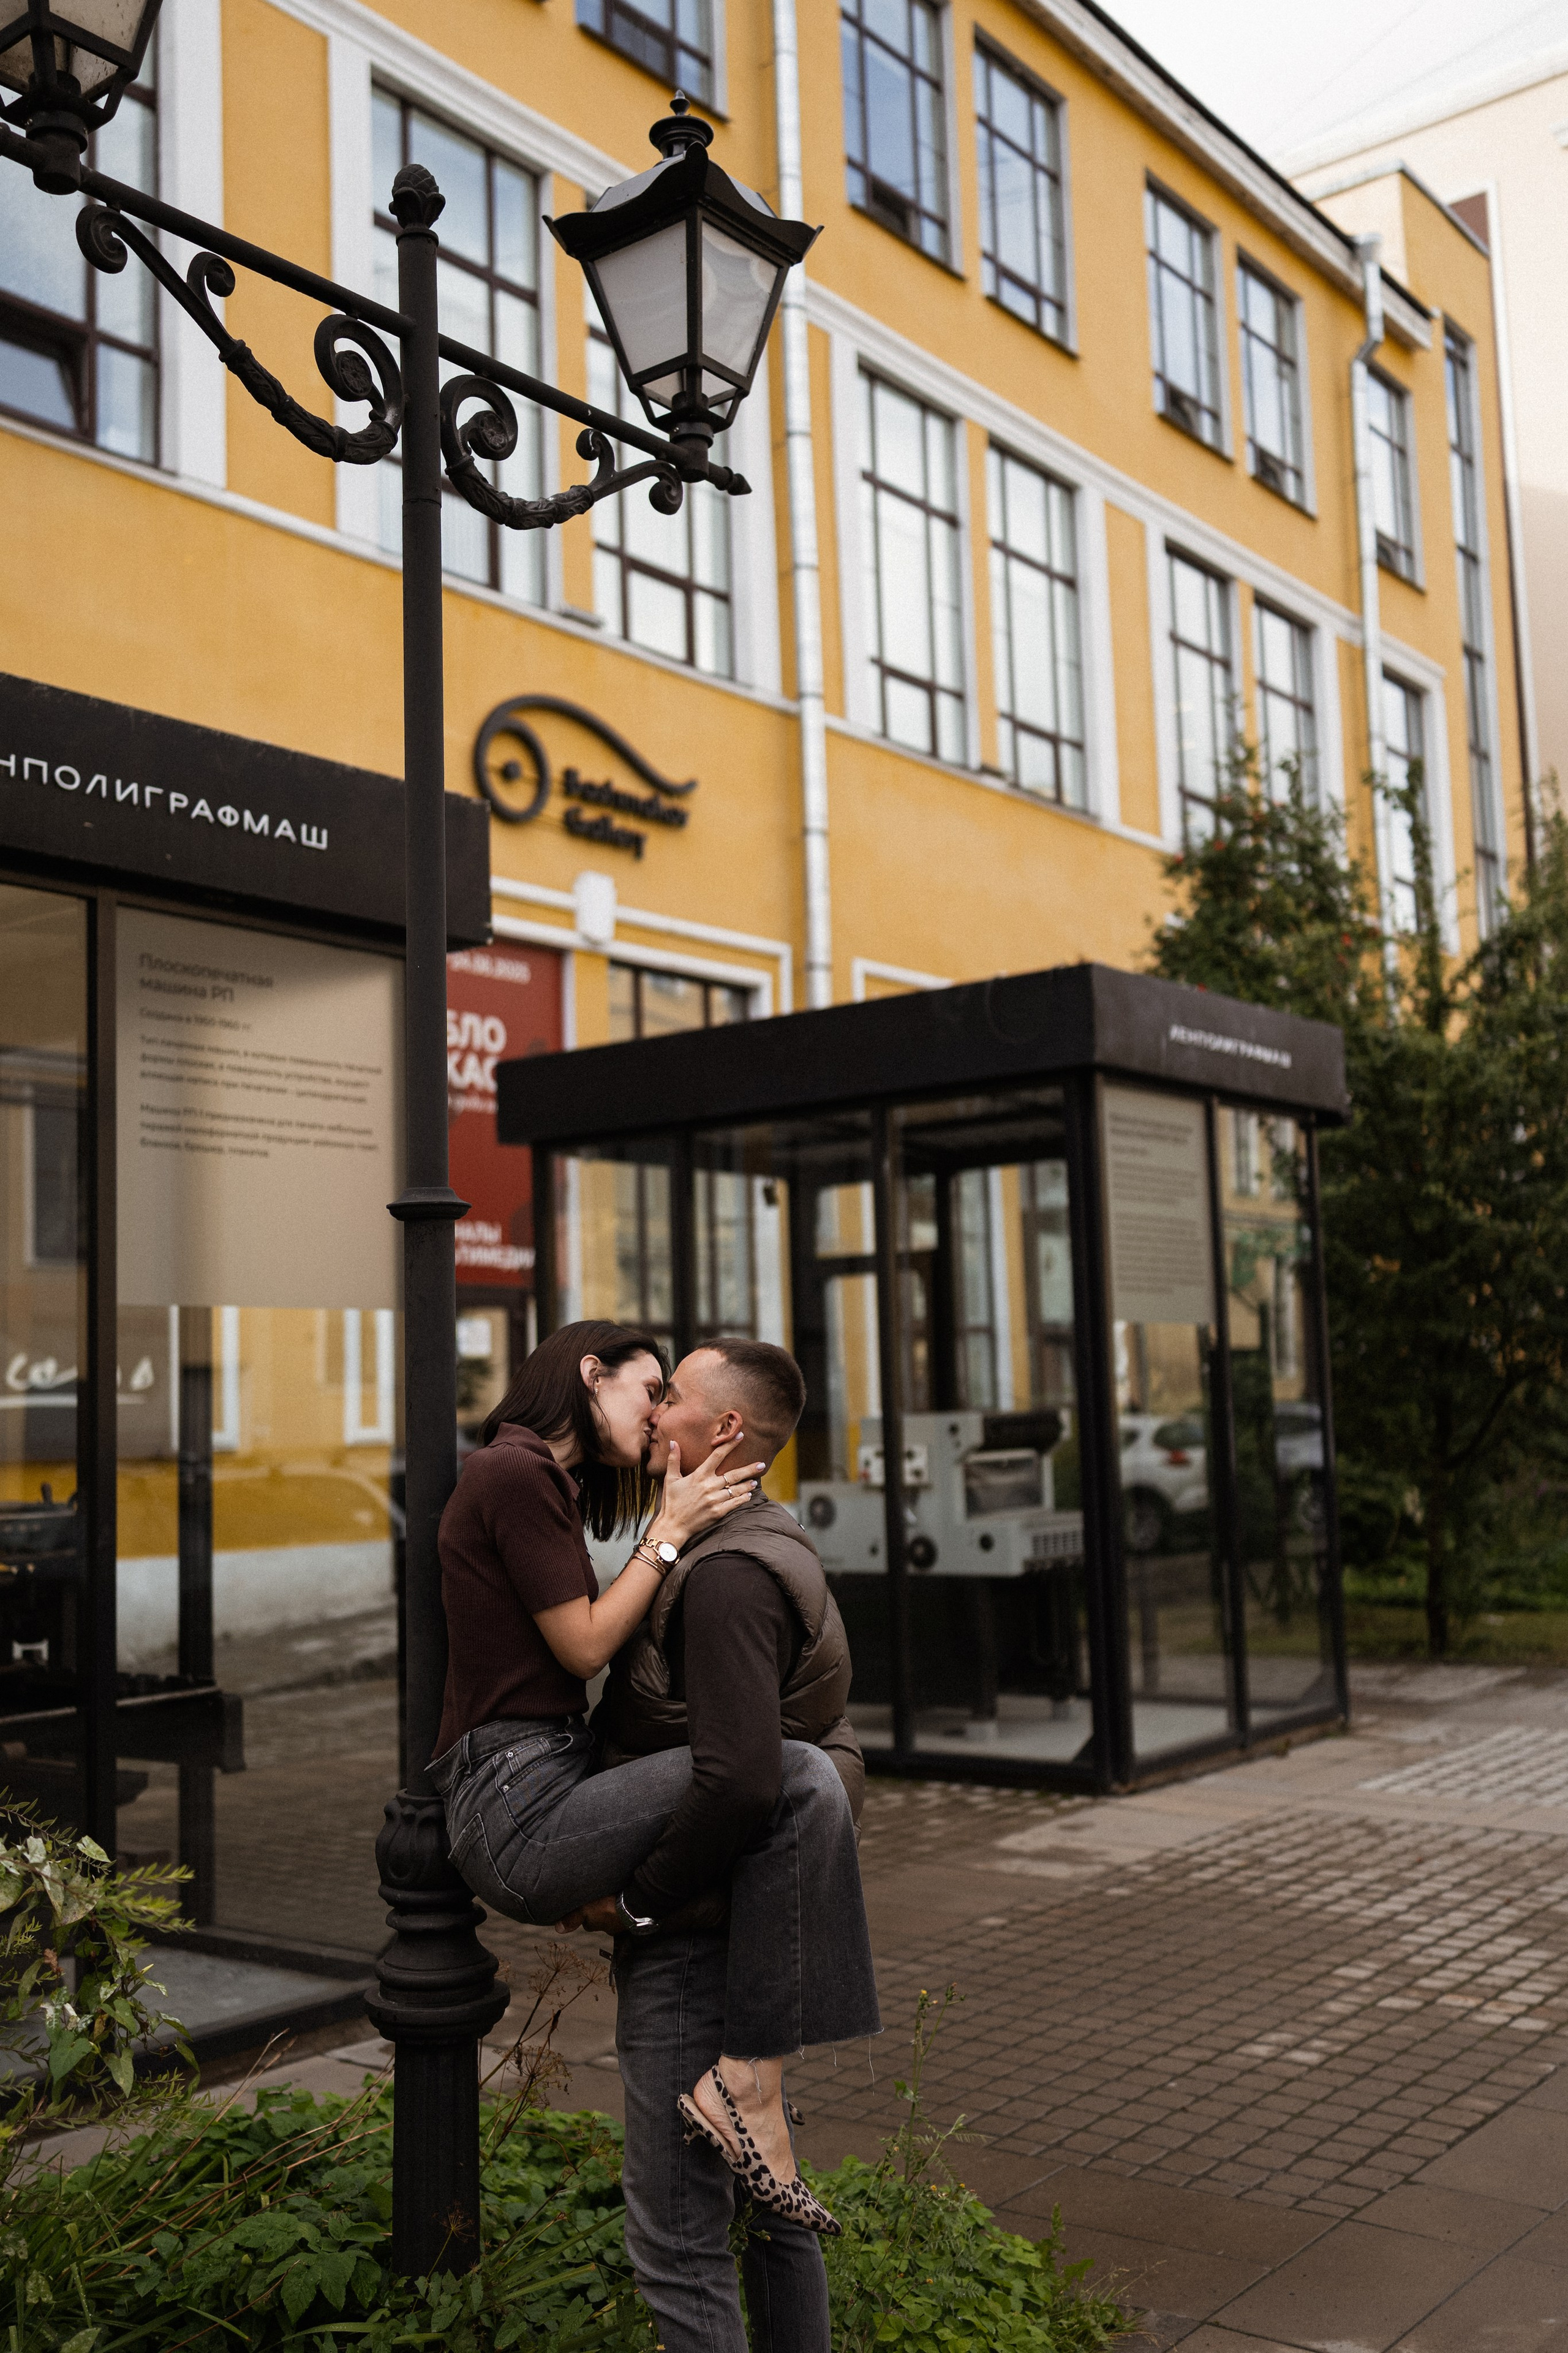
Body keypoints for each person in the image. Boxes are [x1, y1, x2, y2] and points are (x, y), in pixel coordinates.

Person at [430, 1320, 876, 2240]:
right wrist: (668, 1534)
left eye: (672, 1395)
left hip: (546, 1778)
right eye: (650, 1387)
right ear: (590, 1374)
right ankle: (756, 2076)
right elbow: (587, 1644)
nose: (655, 1409)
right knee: (790, 1773)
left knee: (790, 1776)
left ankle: (756, 2082)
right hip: (514, 1798)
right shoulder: (512, 1470)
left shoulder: (550, 1483)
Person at [562, 1337, 881, 2353]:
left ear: (726, 1429)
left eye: (675, 1398)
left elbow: (744, 1776)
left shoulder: (730, 1574)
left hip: (695, 1937)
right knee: (768, 2199)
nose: (655, 1412)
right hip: (734, 1924)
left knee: (679, 2236)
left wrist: (638, 1901)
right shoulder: (757, 1534)